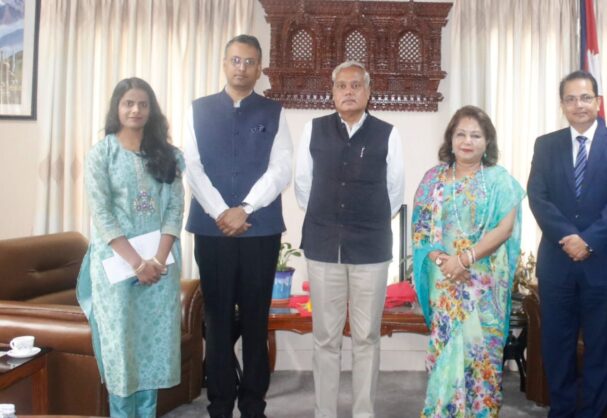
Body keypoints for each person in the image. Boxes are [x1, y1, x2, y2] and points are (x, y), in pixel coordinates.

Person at [184, 34, 292, 418]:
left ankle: (253, 406)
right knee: (216, 319)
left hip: (259, 230)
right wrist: (221, 212)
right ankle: (219, 404)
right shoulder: (198, 110)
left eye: (249, 62)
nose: (241, 68)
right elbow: (192, 166)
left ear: (259, 68)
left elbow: (281, 168)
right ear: (224, 63)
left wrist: (245, 208)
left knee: (255, 319)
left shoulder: (274, 111)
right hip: (211, 230)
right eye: (235, 60)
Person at [294, 60, 404, 418]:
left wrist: (365, 220)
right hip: (323, 245)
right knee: (325, 338)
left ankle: (363, 413)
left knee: (366, 337)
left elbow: (395, 191)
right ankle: (324, 412)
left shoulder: (388, 133)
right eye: (342, 85)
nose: (349, 91)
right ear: (333, 92)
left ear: (369, 92)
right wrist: (329, 218)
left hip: (371, 249)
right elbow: (302, 185)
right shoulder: (313, 129)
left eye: (356, 85)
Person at [527, 70, 607, 417]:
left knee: (601, 349)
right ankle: (561, 412)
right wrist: (568, 238)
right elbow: (538, 196)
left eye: (586, 97)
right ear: (562, 105)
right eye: (571, 99)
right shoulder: (545, 145)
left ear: (598, 101)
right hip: (557, 264)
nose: (579, 105)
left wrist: (588, 241)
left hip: (604, 265)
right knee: (556, 347)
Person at [77, 77, 184, 417]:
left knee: (153, 346)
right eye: (128, 103)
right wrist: (138, 263)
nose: (135, 110)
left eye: (142, 104)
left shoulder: (168, 156)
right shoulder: (101, 155)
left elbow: (174, 209)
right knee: (120, 347)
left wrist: (158, 261)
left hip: (161, 265)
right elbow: (102, 215)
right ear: (117, 108)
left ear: (151, 110)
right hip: (117, 266)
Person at [411, 105, 525, 417]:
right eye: (461, 134)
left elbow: (505, 228)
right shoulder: (433, 179)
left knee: (482, 360)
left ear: (487, 142)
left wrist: (465, 259)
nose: (467, 141)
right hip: (445, 281)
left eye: (476, 135)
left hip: (483, 283)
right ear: (450, 139)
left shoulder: (499, 180)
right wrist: (444, 262)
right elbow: (421, 228)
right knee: (446, 356)